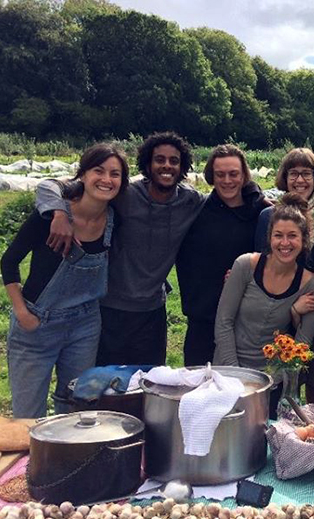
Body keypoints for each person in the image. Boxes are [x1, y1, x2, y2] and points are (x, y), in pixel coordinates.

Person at [36, 132, 205, 366]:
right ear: (147, 164)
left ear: (182, 167)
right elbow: (49, 186)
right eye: (159, 159)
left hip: (152, 311)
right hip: (108, 308)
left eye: (174, 161)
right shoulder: (124, 195)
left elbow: (229, 198)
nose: (166, 165)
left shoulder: (191, 202)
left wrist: (258, 199)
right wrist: (59, 212)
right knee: (102, 385)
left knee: (147, 384)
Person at [2, 143, 128, 417]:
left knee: (76, 405)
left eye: (115, 174)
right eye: (99, 170)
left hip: (85, 324)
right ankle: (33, 461)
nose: (106, 179)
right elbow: (8, 262)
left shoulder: (114, 220)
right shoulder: (50, 216)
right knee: (28, 415)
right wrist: (22, 312)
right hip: (37, 325)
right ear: (82, 174)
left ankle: (69, 459)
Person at [214, 194, 314, 418]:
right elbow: (224, 322)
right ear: (269, 238)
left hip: (274, 381)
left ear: (304, 240)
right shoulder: (245, 265)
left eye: (292, 236)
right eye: (278, 235)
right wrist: (237, 376)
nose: (285, 243)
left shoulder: (310, 283)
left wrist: (273, 381)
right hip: (229, 371)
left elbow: (303, 345)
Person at [176, 145, 272, 366]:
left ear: (244, 176)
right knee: (199, 385)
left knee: (245, 388)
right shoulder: (196, 212)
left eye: (233, 174)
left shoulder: (260, 213)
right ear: (211, 176)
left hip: (247, 319)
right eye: (220, 174)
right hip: (204, 317)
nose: (227, 180)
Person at [255, 148, 314, 272]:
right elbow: (263, 262)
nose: (300, 180)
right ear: (285, 178)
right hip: (281, 288)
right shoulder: (268, 215)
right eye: (293, 174)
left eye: (306, 173)